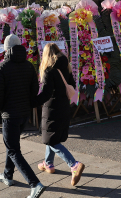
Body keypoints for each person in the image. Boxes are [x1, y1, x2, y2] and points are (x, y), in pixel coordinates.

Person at [0, 34, 46, 198]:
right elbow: (35, 89)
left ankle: (34, 183)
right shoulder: (29, 66)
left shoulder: (2, 67)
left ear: (6, 49)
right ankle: (8, 175)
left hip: (10, 114)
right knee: (13, 146)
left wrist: (0, 109)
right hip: (24, 113)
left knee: (13, 149)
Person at [34, 43, 85, 186]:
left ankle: (74, 164)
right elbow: (73, 85)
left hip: (52, 108)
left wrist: (33, 101)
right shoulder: (66, 67)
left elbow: (46, 93)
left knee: (51, 139)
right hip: (64, 106)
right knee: (50, 135)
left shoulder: (49, 71)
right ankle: (48, 164)